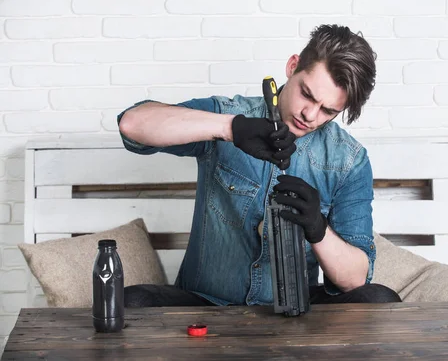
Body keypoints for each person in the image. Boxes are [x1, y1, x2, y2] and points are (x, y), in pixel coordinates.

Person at [117, 24, 401, 307]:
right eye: (307, 94)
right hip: (207, 304)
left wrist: (318, 228)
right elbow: (132, 125)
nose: (310, 115)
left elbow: (355, 280)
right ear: (293, 66)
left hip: (296, 311)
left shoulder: (349, 161)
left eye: (328, 110)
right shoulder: (229, 114)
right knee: (133, 301)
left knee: (379, 299)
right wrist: (230, 128)